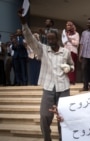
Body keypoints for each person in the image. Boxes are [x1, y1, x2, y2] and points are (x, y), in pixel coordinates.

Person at [18, 9, 74, 141]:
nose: (50, 41)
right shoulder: (43, 50)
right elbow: (30, 39)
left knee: (63, 117)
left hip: (63, 89)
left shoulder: (66, 52)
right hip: (48, 88)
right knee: (44, 117)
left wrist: (69, 68)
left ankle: (63, 139)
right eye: (48, 39)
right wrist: (23, 22)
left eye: (52, 39)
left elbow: (72, 66)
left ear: (57, 38)